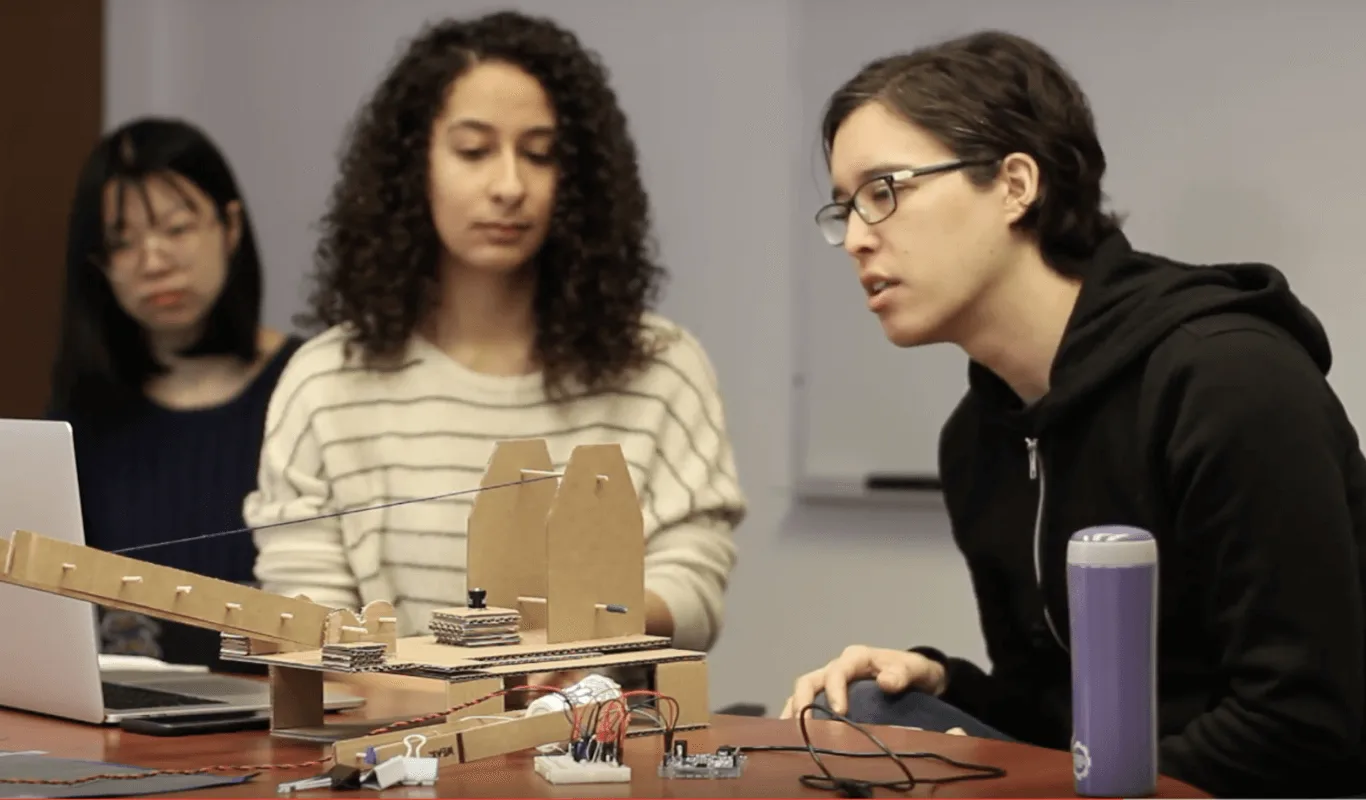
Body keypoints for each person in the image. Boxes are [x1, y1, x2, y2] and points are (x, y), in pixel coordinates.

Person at [782, 30, 1366, 798]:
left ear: (1016, 184)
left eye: (885, 190)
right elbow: (1050, 714)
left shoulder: (1228, 380)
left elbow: (1308, 720)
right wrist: (945, 682)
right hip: (1114, 780)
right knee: (861, 709)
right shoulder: (979, 439)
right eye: (845, 208)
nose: (857, 237)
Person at [242, 11, 746, 663]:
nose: (509, 186)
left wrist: (560, 639)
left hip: (599, 743)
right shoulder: (324, 383)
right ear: (411, 167)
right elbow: (308, 612)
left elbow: (693, 587)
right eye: (474, 151)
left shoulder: (662, 369)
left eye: (539, 155)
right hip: (395, 742)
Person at [47, 117, 303, 669]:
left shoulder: (312, 386)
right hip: (125, 740)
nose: (154, 261)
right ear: (99, 267)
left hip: (291, 727)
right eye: (122, 242)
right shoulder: (81, 422)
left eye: (177, 228)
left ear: (230, 227)